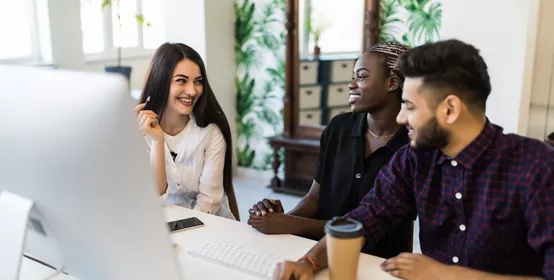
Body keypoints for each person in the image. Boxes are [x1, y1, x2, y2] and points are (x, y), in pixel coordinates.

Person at [274, 39, 554, 280]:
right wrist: (308, 263)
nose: (400, 117)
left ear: (450, 109)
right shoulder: (413, 159)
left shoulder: (536, 167)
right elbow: (364, 219)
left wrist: (447, 275)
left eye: (409, 106)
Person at [247, 41, 415, 259]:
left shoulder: (412, 148)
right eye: (353, 76)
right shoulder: (338, 128)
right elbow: (314, 199)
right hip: (320, 255)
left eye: (362, 77)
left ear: (392, 83)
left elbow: (372, 227)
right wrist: (277, 218)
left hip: (376, 262)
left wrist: (290, 223)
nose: (351, 85)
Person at [135, 43, 239, 221]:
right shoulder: (141, 130)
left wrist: (181, 229)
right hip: (161, 224)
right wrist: (157, 142)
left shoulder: (211, 132)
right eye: (181, 80)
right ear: (160, 81)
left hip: (210, 224)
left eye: (198, 81)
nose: (192, 91)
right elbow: (154, 195)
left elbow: (209, 201)